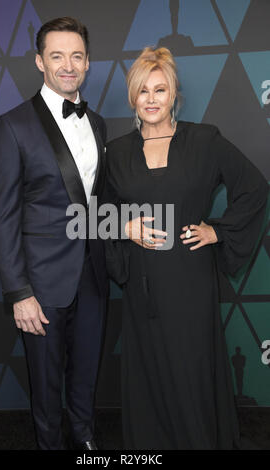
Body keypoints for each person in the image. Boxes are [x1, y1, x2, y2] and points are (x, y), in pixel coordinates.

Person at [105, 46, 269, 450]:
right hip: (142, 283)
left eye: (160, 90)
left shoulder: (203, 139)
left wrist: (217, 231)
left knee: (191, 370)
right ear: (132, 98)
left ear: (174, 95)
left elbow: (254, 188)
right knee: (150, 375)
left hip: (191, 281)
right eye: (143, 91)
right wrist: (124, 227)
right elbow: (94, 214)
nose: (151, 99)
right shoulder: (117, 152)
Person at [0, 16, 108, 450]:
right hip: (39, 285)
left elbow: (96, 204)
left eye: (76, 56)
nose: (68, 65)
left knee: (86, 377)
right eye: (57, 56)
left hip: (93, 279)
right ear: (40, 61)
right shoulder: (13, 125)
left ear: (88, 63)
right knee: (46, 388)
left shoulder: (97, 125)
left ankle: (86, 442)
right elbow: (2, 215)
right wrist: (19, 292)